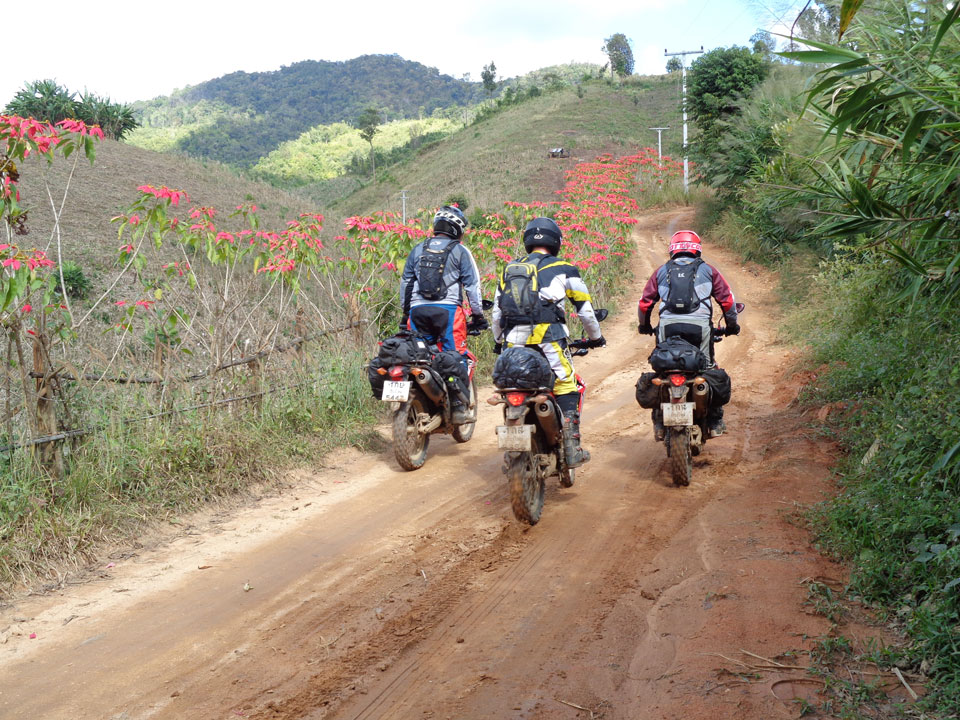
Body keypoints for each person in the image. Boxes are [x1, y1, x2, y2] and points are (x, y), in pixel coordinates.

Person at [492, 217, 605, 468]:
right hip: (549, 339)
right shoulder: (565, 268)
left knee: (512, 388)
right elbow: (585, 311)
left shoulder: (510, 269)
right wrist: (596, 337)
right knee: (566, 383)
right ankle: (571, 447)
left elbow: (497, 314)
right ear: (556, 242)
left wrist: (498, 341)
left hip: (513, 342)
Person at [637, 229, 740, 437]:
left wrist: (644, 325)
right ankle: (715, 419)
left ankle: (659, 421)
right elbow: (727, 301)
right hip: (700, 327)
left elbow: (645, 303)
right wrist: (731, 325)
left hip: (668, 327)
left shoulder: (661, 271)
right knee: (707, 369)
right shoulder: (709, 271)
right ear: (697, 250)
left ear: (672, 251)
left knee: (663, 370)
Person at [400, 205, 487, 424]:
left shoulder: (418, 249)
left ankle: (422, 401)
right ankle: (458, 407)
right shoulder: (460, 251)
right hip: (448, 312)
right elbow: (473, 287)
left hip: (417, 311)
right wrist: (478, 315)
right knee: (453, 356)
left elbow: (406, 285)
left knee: (420, 357)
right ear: (458, 229)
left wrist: (405, 314)